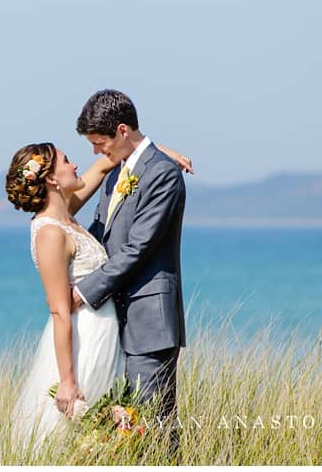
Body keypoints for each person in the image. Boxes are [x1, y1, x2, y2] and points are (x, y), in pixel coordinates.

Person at [6, 138, 191, 453]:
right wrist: (66, 380)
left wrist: (159, 155)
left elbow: (108, 162)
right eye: (66, 161)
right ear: (51, 178)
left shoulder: (66, 214)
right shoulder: (50, 232)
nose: (75, 164)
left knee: (111, 436)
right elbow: (59, 312)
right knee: (81, 436)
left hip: (107, 334)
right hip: (85, 341)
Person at [71, 89, 189, 457]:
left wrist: (84, 291)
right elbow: (100, 234)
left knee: (152, 430)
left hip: (150, 325)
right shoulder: (116, 174)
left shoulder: (163, 176)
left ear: (122, 131)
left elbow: (139, 248)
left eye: (99, 143)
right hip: (114, 323)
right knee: (124, 434)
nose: (96, 153)